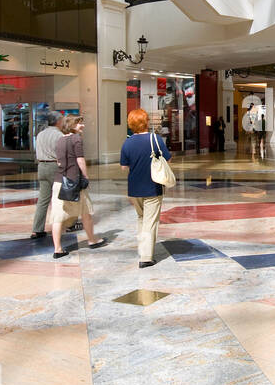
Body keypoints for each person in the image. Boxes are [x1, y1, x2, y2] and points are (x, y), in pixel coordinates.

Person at [49, 114, 106, 258]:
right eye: (80, 123)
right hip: (74, 182)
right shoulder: (76, 139)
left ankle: (57, 249)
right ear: (72, 125)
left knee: (57, 217)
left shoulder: (60, 140)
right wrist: (86, 177)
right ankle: (92, 240)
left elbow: (58, 161)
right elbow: (80, 160)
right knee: (86, 212)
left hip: (59, 182)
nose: (83, 125)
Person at [120, 108, 170, 268]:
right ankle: (146, 257)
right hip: (152, 186)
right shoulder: (154, 139)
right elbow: (167, 160)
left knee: (141, 218)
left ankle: (143, 248)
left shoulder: (127, 142)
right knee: (151, 221)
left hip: (134, 187)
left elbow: (123, 167)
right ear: (145, 122)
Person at [30, 112, 63, 239]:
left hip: (41, 167)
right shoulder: (59, 135)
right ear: (58, 121)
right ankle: (65, 224)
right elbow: (60, 153)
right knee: (60, 198)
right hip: (53, 166)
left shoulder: (40, 134)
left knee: (43, 200)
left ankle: (37, 229)